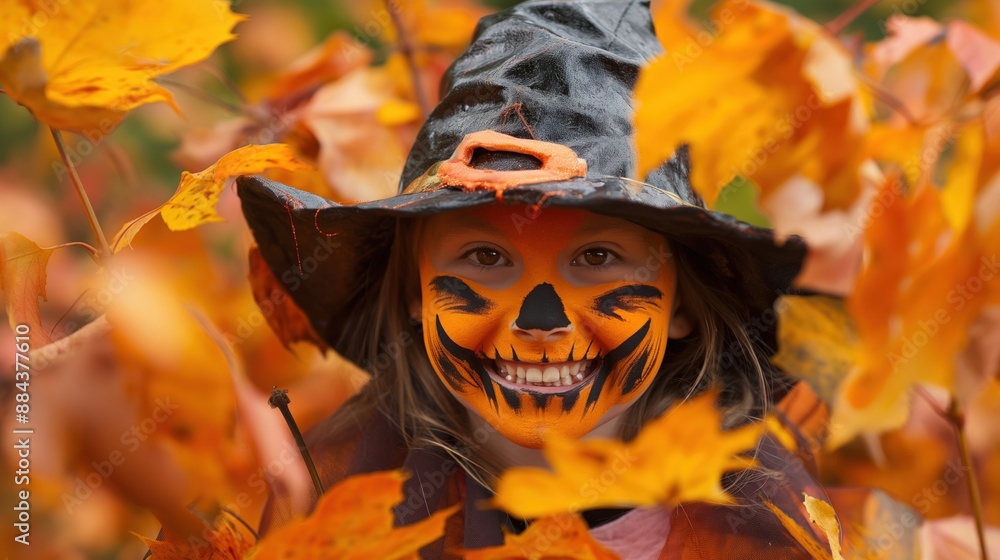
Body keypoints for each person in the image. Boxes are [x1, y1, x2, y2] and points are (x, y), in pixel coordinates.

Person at [238, 0, 835, 557]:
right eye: (485, 258)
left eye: (597, 258)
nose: (540, 321)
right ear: (413, 293)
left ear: (684, 302)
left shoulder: (769, 524)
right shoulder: (331, 500)